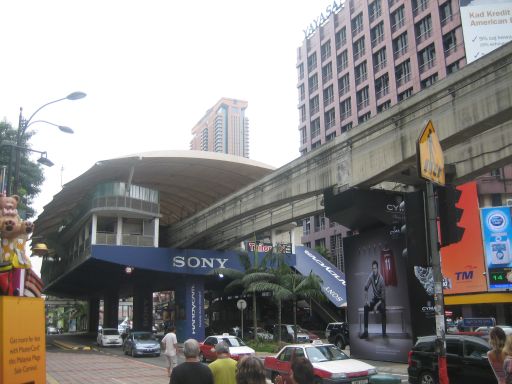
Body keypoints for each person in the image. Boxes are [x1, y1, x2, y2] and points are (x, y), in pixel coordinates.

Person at [360, 260, 386, 339]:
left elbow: (383, 297)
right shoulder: (371, 276)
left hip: (381, 300)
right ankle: (366, 332)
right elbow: (365, 288)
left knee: (383, 309)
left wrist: (376, 305)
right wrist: (366, 300)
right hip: (375, 299)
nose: (374, 270)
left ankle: (384, 333)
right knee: (365, 307)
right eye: (373, 268)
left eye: (375, 268)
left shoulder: (381, 279)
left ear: (377, 268)